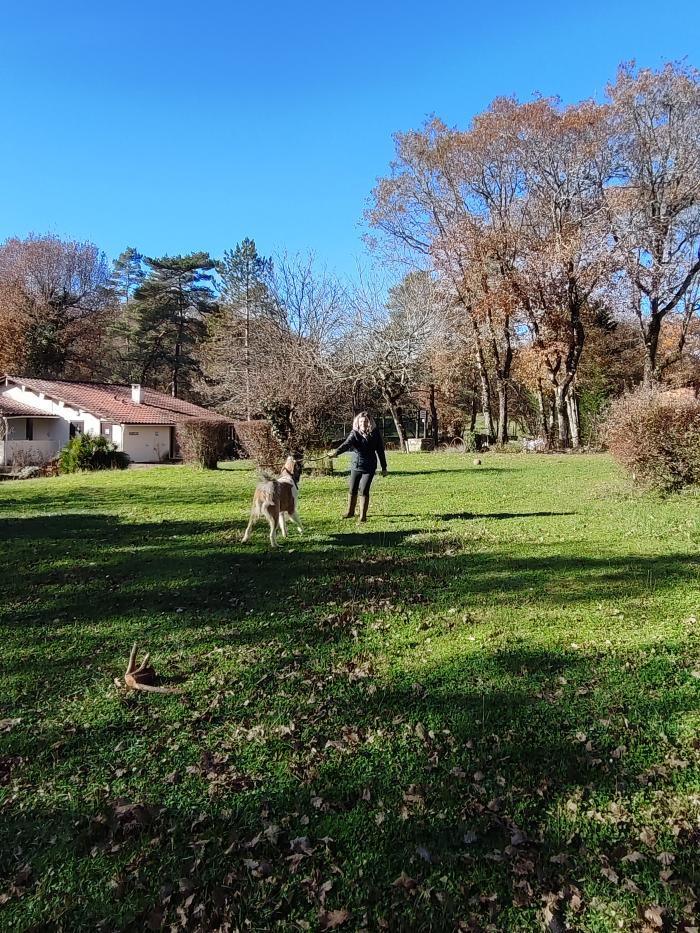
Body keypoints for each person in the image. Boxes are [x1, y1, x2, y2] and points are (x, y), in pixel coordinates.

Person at [327, 412, 387, 522]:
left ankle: (363, 516)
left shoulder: (375, 433)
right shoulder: (354, 433)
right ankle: (350, 512)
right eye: (361, 421)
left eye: (365, 421)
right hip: (356, 465)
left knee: (364, 490)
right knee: (352, 489)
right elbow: (346, 444)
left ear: (369, 422)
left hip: (369, 466)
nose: (363, 423)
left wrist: (384, 468)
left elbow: (380, 451)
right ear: (357, 423)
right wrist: (336, 452)